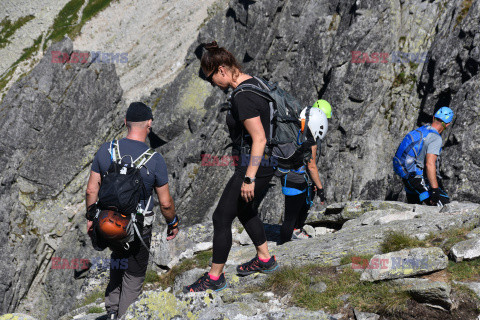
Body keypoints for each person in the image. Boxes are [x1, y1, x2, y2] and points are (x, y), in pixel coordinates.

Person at [183, 41, 278, 293]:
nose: (213, 83)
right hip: (266, 163)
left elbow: (259, 138)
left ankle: (215, 278)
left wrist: (249, 178)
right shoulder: (256, 83)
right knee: (246, 211)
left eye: (212, 77)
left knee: (221, 217)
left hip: (253, 165)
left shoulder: (243, 96)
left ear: (222, 70)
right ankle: (265, 259)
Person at [85, 102, 179, 319]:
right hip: (137, 228)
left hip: (107, 223)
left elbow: (92, 189)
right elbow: (165, 203)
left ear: (125, 122)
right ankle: (125, 315)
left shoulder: (106, 149)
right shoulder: (155, 159)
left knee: (117, 259)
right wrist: (172, 222)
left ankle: (111, 310)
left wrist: (91, 218)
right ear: (150, 124)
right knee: (134, 274)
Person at [278, 106, 329, 244]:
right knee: (290, 218)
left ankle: (294, 233)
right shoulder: (309, 139)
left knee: (290, 215)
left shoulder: (295, 132)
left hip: (288, 178)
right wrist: (320, 188)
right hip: (298, 181)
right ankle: (283, 246)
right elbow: (311, 166)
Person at [393, 106, 454, 206]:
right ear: (447, 124)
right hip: (415, 176)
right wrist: (434, 190)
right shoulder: (435, 138)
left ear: (434, 117)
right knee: (443, 206)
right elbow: (430, 164)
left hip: (405, 173)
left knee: (414, 205)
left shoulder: (422, 130)